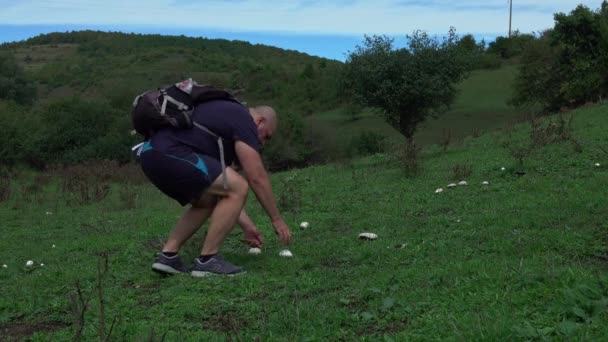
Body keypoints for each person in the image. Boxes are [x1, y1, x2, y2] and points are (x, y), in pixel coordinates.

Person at [138, 99, 292, 277]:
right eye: (266, 136)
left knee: (207, 200)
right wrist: (276, 219)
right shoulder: (244, 119)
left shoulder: (223, 127)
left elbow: (224, 192)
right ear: (260, 121)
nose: (263, 143)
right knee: (238, 184)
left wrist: (247, 226)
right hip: (171, 153)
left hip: (149, 155)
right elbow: (256, 176)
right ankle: (208, 259)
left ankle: (168, 256)